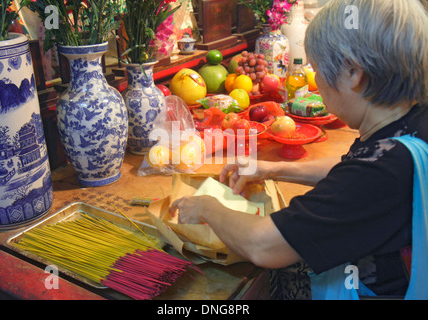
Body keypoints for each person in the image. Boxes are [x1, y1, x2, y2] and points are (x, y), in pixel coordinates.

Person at [170, 0, 428, 299]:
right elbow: (354, 166)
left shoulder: (379, 173)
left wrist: (206, 207)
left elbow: (263, 245)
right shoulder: (410, 120)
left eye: (317, 70)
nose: (315, 80)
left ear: (353, 74)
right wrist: (274, 169)